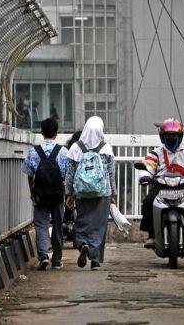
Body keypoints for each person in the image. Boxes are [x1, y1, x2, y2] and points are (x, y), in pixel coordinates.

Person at [137, 118, 184, 249]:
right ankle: (151, 235)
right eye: (168, 135)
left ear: (179, 136)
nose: (171, 138)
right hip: (161, 186)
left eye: (174, 135)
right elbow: (147, 166)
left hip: (183, 186)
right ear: (163, 137)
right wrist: (145, 176)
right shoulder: (156, 153)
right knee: (148, 201)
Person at [65, 116, 116, 270]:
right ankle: (95, 260)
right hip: (102, 193)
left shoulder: (75, 148)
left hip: (81, 193)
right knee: (99, 226)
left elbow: (69, 174)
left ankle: (83, 244)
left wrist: (69, 194)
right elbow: (111, 174)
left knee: (82, 221)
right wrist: (113, 194)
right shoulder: (106, 148)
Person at [21, 118, 69, 270]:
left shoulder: (34, 152)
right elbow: (67, 174)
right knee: (57, 225)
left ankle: (43, 256)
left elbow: (29, 174)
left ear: (41, 132)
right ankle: (56, 259)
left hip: (40, 194)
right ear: (56, 133)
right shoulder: (63, 151)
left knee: (41, 225)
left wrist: (32, 193)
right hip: (57, 195)